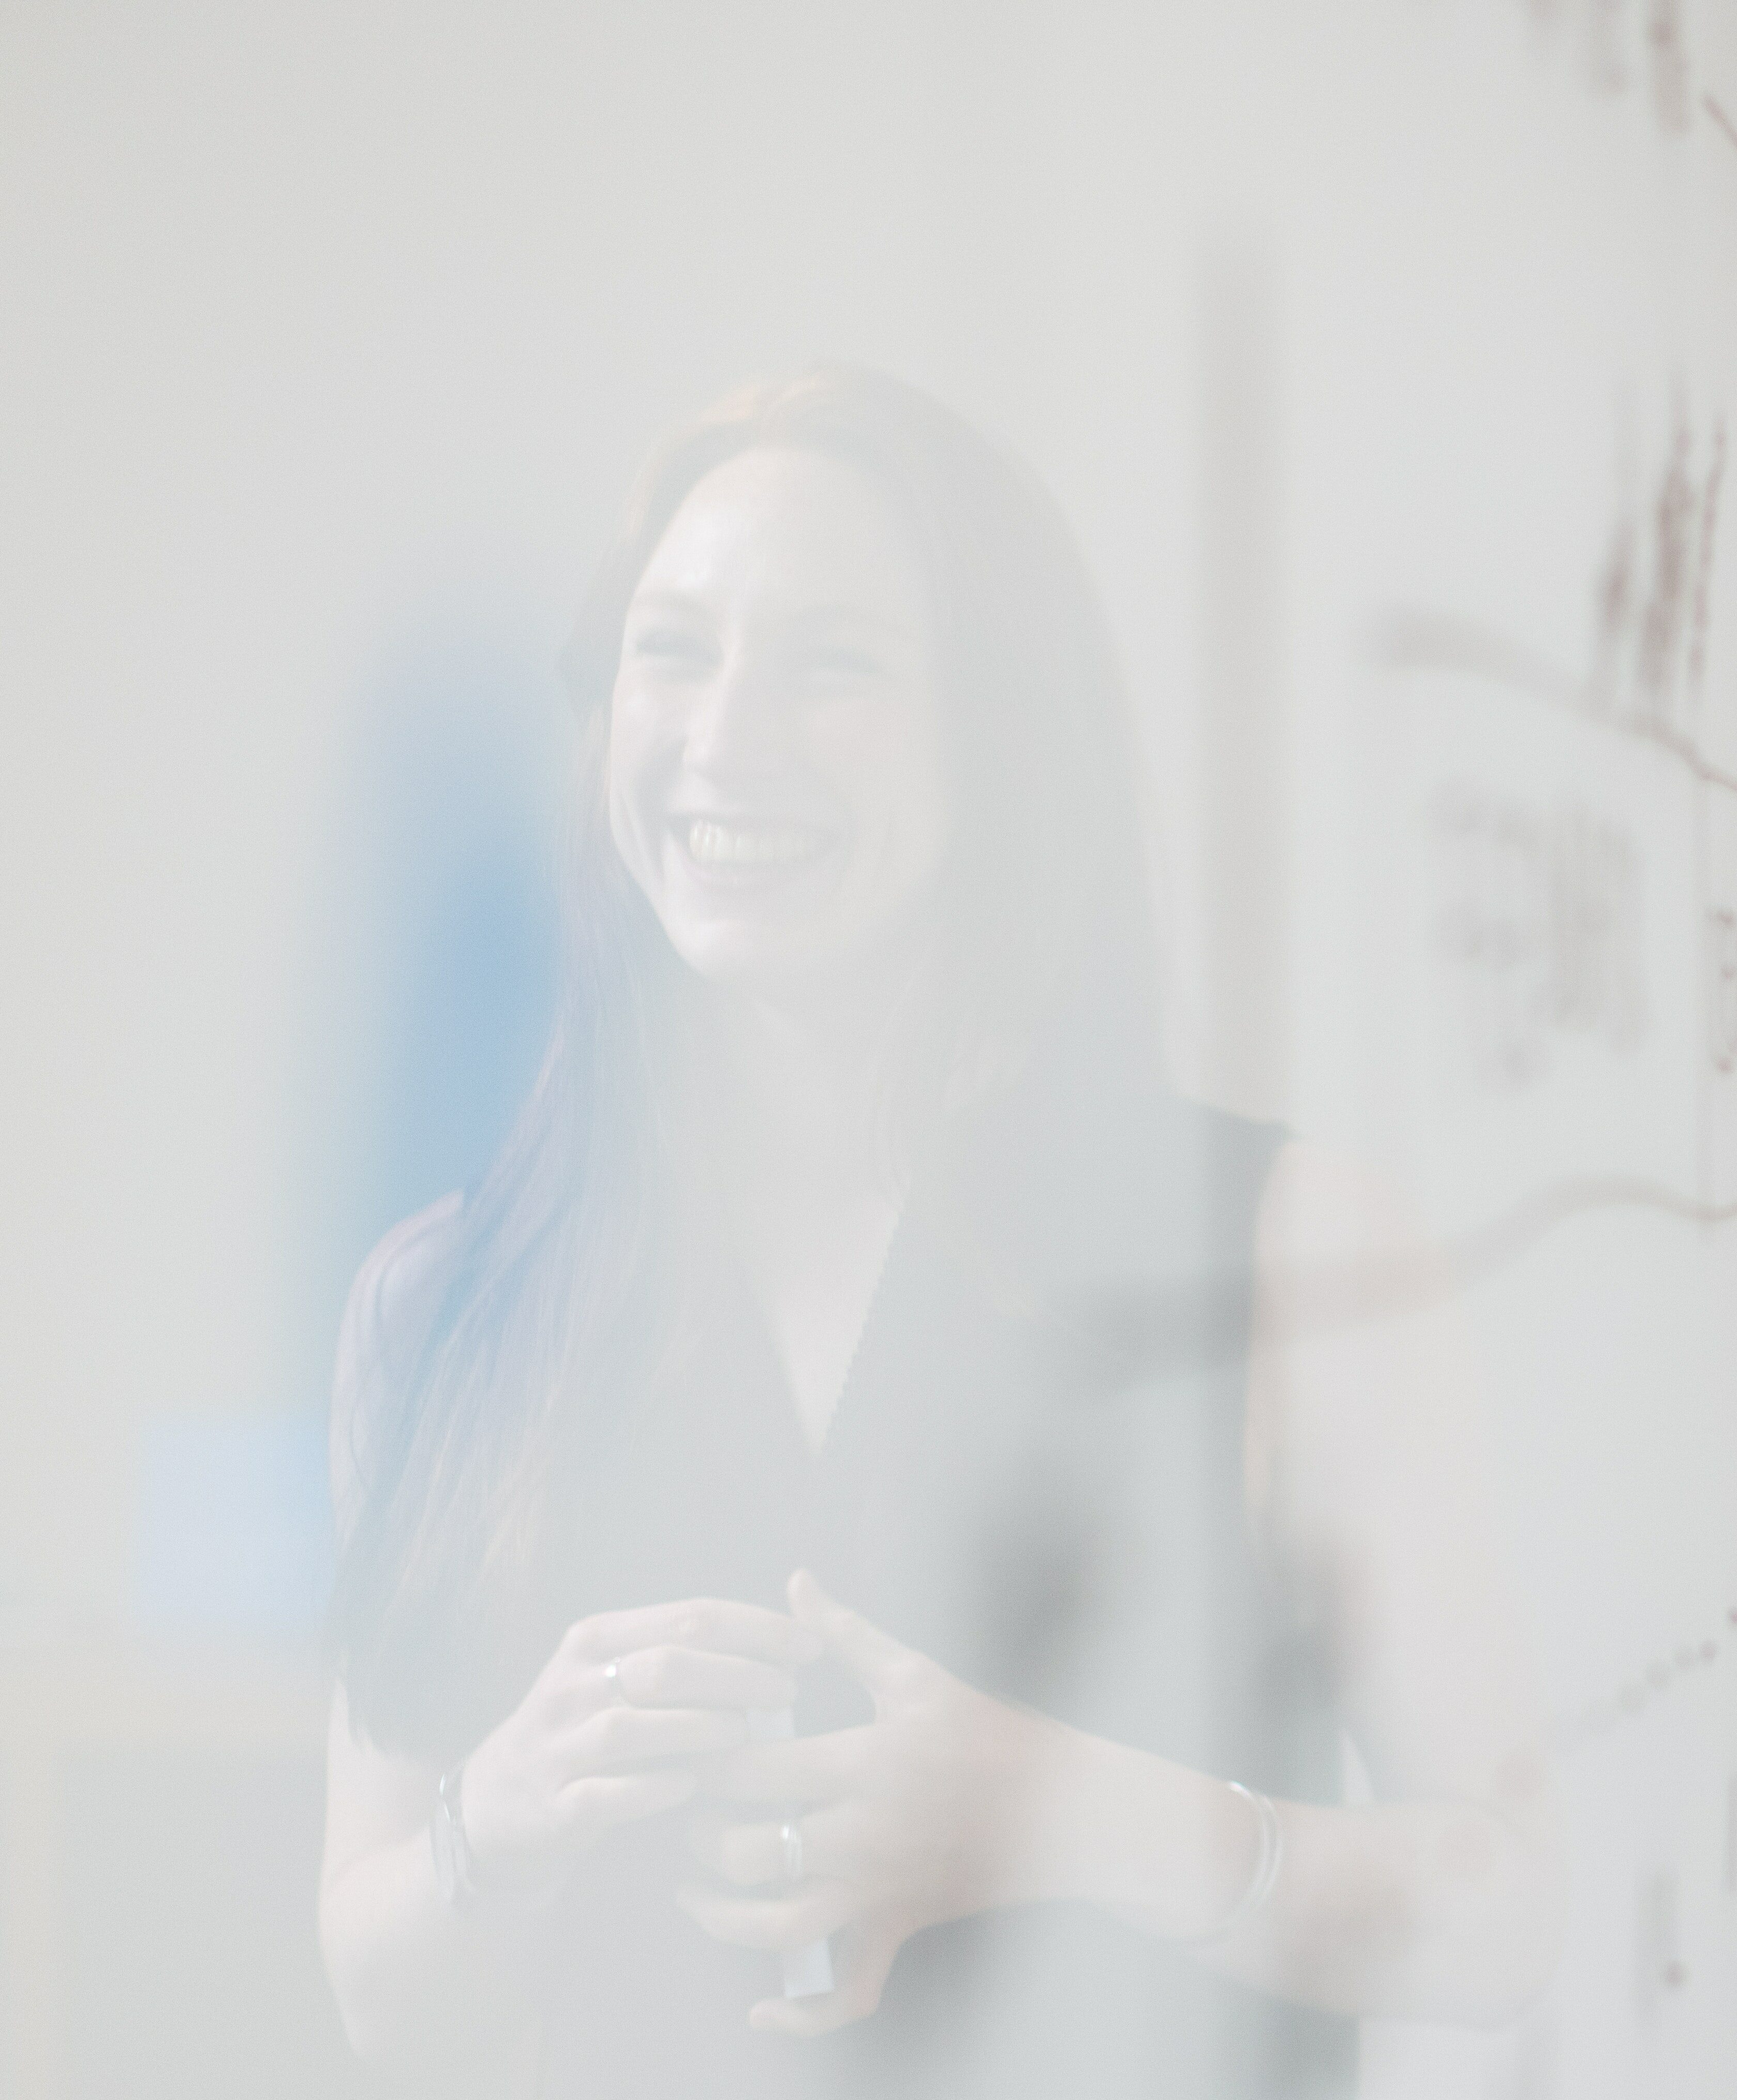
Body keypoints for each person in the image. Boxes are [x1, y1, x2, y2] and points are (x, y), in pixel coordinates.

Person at [315, 367, 1551, 2095]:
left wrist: (1063, 1812)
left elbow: (1511, 1916)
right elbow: (382, 1999)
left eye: (832, 664)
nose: (726, 738)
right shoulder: (444, 1302)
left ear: (1001, 740)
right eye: (672, 651)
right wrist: (501, 1810)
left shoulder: (1289, 1253)